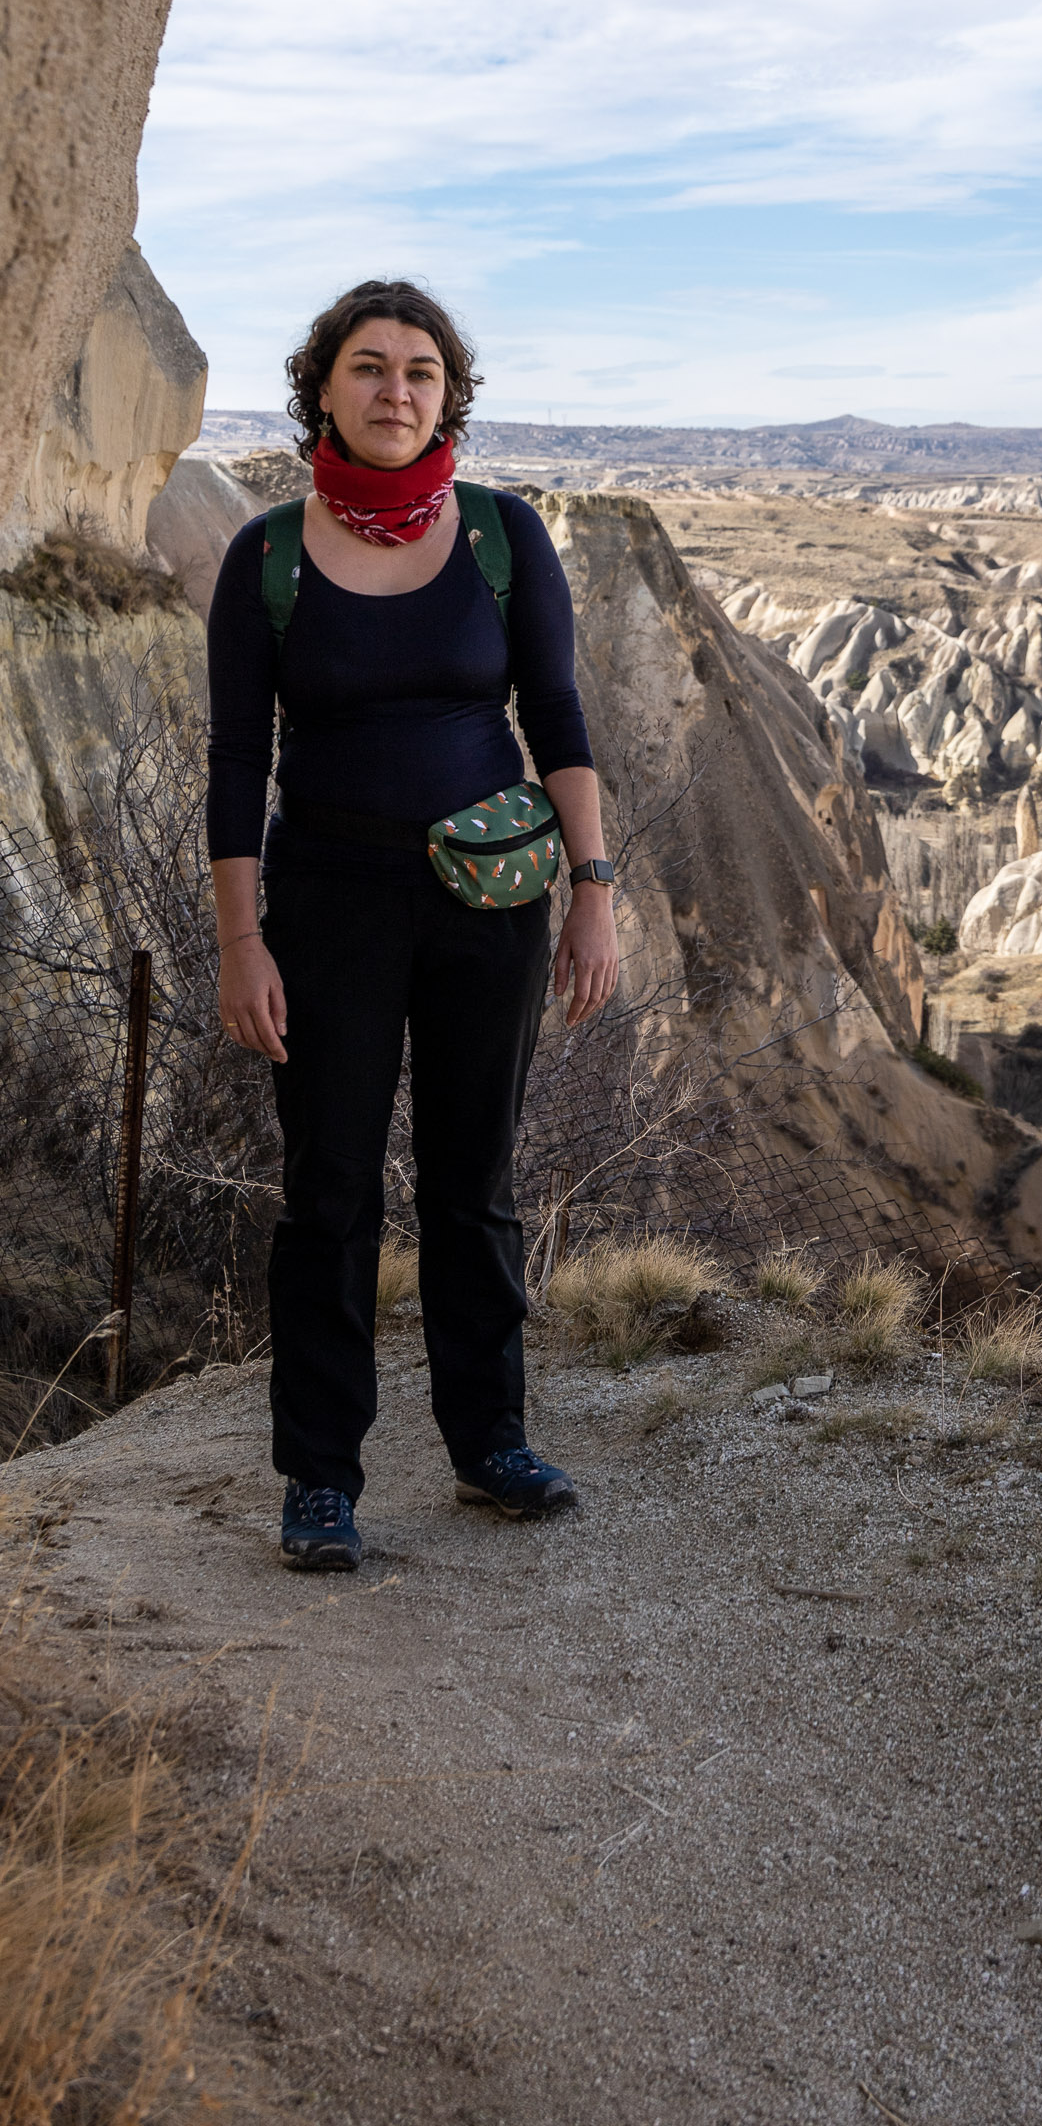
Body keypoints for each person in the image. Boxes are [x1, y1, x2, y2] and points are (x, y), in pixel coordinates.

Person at [206, 282, 619, 1572]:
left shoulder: (504, 538)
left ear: (453, 394)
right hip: (326, 901)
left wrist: (595, 892)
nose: (397, 392)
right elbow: (233, 763)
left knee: (471, 1180)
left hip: (488, 903)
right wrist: (238, 941)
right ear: (321, 387)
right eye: (370, 368)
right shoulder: (266, 557)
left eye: (423, 372)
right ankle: (320, 1478)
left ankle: (488, 1436)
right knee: (327, 1189)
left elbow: (555, 718)